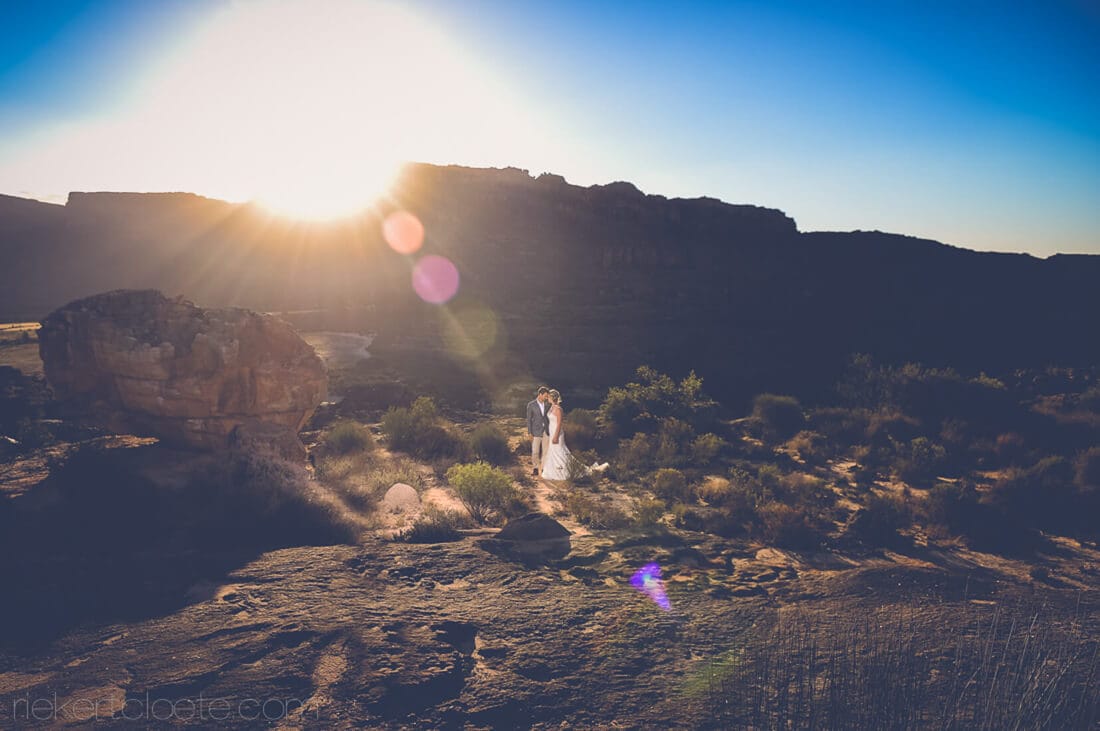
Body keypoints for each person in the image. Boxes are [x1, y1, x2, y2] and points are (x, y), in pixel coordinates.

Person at [526, 386, 551, 476]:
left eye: (547, 396)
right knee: (535, 451)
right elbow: (528, 420)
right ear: (540, 394)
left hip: (546, 431)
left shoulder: (548, 404)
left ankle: (543, 468)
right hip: (535, 431)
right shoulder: (531, 405)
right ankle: (535, 468)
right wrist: (529, 432)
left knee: (545, 451)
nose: (547, 397)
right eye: (545, 396)